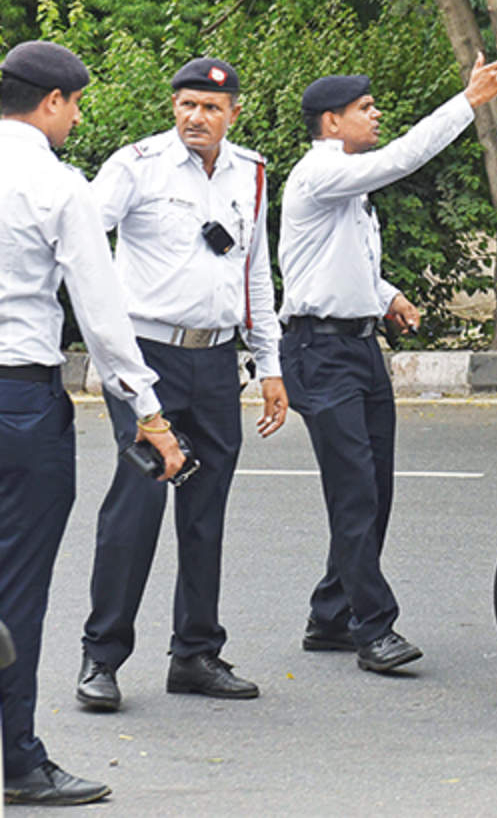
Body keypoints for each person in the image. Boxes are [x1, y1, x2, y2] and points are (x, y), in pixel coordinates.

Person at [279, 53, 497, 673]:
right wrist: (470, 100)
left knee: (374, 488)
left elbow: (338, 261)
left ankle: (330, 613)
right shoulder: (319, 171)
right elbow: (406, 156)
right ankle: (372, 629)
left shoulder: (347, 183)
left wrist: (386, 296)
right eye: (365, 108)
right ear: (332, 122)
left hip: (356, 347)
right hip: (318, 351)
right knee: (355, 491)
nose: (376, 114)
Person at [1, 40, 184, 805]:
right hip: (20, 407)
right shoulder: (56, 185)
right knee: (15, 592)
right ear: (50, 102)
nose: (76, 119)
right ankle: (21, 763)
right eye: (74, 105)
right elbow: (104, 320)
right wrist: (150, 413)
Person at [75, 58, 286, 712]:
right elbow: (81, 242)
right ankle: (101, 658)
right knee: (137, 506)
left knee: (206, 510)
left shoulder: (250, 173)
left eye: (211, 108)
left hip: (217, 362)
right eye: (186, 104)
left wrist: (271, 364)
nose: (196, 117)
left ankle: (195, 653)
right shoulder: (136, 166)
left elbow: (254, 273)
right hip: (146, 357)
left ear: (234, 114)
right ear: (173, 106)